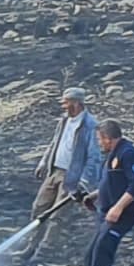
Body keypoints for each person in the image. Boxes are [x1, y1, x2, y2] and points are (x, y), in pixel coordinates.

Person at [79, 117, 134, 266]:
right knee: (91, 252)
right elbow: (112, 182)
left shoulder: (129, 153)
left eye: (100, 140)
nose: (99, 144)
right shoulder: (112, 155)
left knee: (103, 250)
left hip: (122, 214)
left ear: (108, 138)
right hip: (106, 212)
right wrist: (94, 196)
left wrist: (118, 207)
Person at [38, 90, 107, 221]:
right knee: (39, 207)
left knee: (57, 216)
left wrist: (84, 181)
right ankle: (33, 240)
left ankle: (49, 242)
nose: (63, 106)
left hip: (71, 177)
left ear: (76, 103)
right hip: (54, 172)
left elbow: (94, 157)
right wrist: (43, 162)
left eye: (66, 102)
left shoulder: (90, 125)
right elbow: (54, 143)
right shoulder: (63, 121)